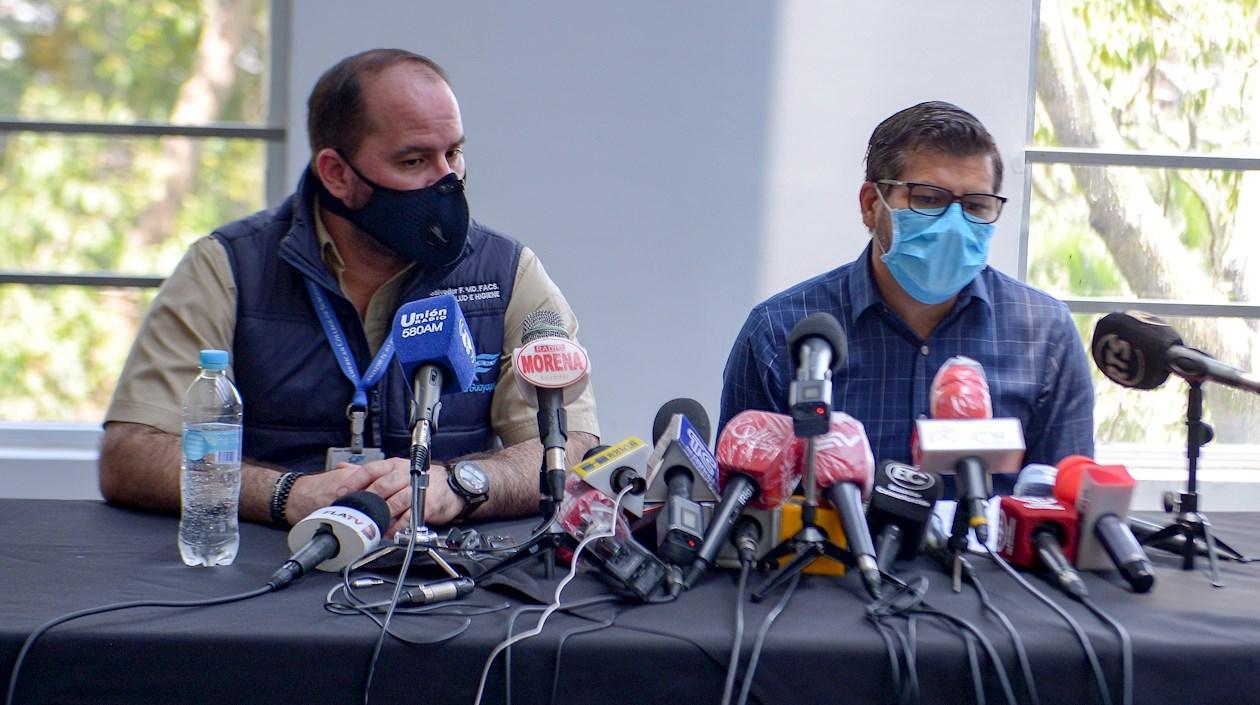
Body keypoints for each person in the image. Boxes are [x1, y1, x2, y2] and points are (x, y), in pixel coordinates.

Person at [99, 49, 599, 535]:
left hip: (444, 578)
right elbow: (132, 453)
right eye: (413, 161)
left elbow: (569, 446)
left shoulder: (508, 272)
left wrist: (460, 485)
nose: (447, 181)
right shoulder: (228, 266)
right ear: (337, 173)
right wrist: (285, 495)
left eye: (453, 153)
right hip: (267, 574)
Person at [719, 101, 1093, 495]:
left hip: (987, 557)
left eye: (975, 206)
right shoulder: (778, 334)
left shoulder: (1044, 335)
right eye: (928, 199)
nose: (953, 224)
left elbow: (1064, 515)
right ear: (870, 206)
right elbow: (739, 513)